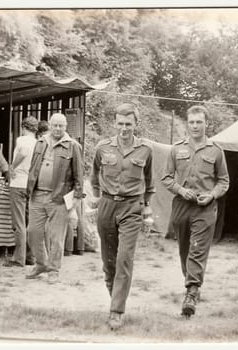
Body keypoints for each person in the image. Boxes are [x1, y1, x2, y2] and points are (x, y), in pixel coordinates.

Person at [90, 103, 155, 330]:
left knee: (123, 259)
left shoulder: (145, 150)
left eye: (128, 124)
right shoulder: (103, 147)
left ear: (136, 124)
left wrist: (146, 206)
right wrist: (97, 197)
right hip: (107, 206)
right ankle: (115, 296)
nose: (124, 128)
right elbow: (94, 176)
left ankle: (116, 311)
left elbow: (150, 182)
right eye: (120, 123)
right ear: (114, 123)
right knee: (109, 262)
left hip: (131, 208)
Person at [161, 105, 229, 317]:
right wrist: (181, 190)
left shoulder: (215, 151)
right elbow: (166, 178)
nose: (195, 126)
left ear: (206, 124)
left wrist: (212, 195)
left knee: (198, 249)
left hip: (205, 208)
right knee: (184, 249)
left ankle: (191, 292)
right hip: (182, 206)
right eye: (191, 122)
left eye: (199, 122)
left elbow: (223, 181)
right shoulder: (176, 149)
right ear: (187, 124)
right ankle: (191, 283)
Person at [25, 113, 84, 283]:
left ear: (66, 127)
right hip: (37, 195)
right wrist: (29, 187)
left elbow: (79, 177)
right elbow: (33, 167)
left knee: (56, 237)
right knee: (32, 233)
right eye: (55, 125)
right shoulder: (41, 142)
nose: (57, 129)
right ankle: (41, 263)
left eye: (61, 126)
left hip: (58, 198)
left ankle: (53, 270)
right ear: (49, 125)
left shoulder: (73, 146)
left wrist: (75, 203)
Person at [4, 116, 39, 267]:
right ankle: (31, 256)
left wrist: (12, 166)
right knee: (29, 221)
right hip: (31, 184)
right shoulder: (38, 143)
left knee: (18, 222)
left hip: (18, 183)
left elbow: (23, 153)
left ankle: (19, 258)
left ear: (24, 127)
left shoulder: (22, 140)